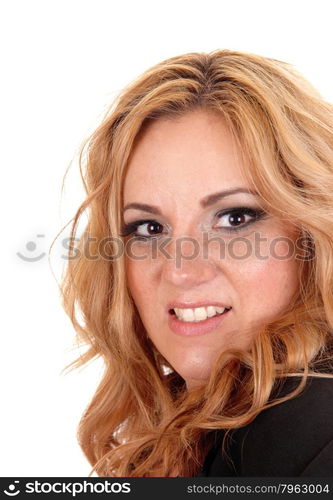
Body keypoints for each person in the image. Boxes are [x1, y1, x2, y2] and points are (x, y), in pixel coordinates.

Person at [59, 49, 333, 477]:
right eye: (149, 228)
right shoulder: (203, 436)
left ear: (313, 234)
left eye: (234, 218)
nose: (180, 270)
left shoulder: (313, 425)